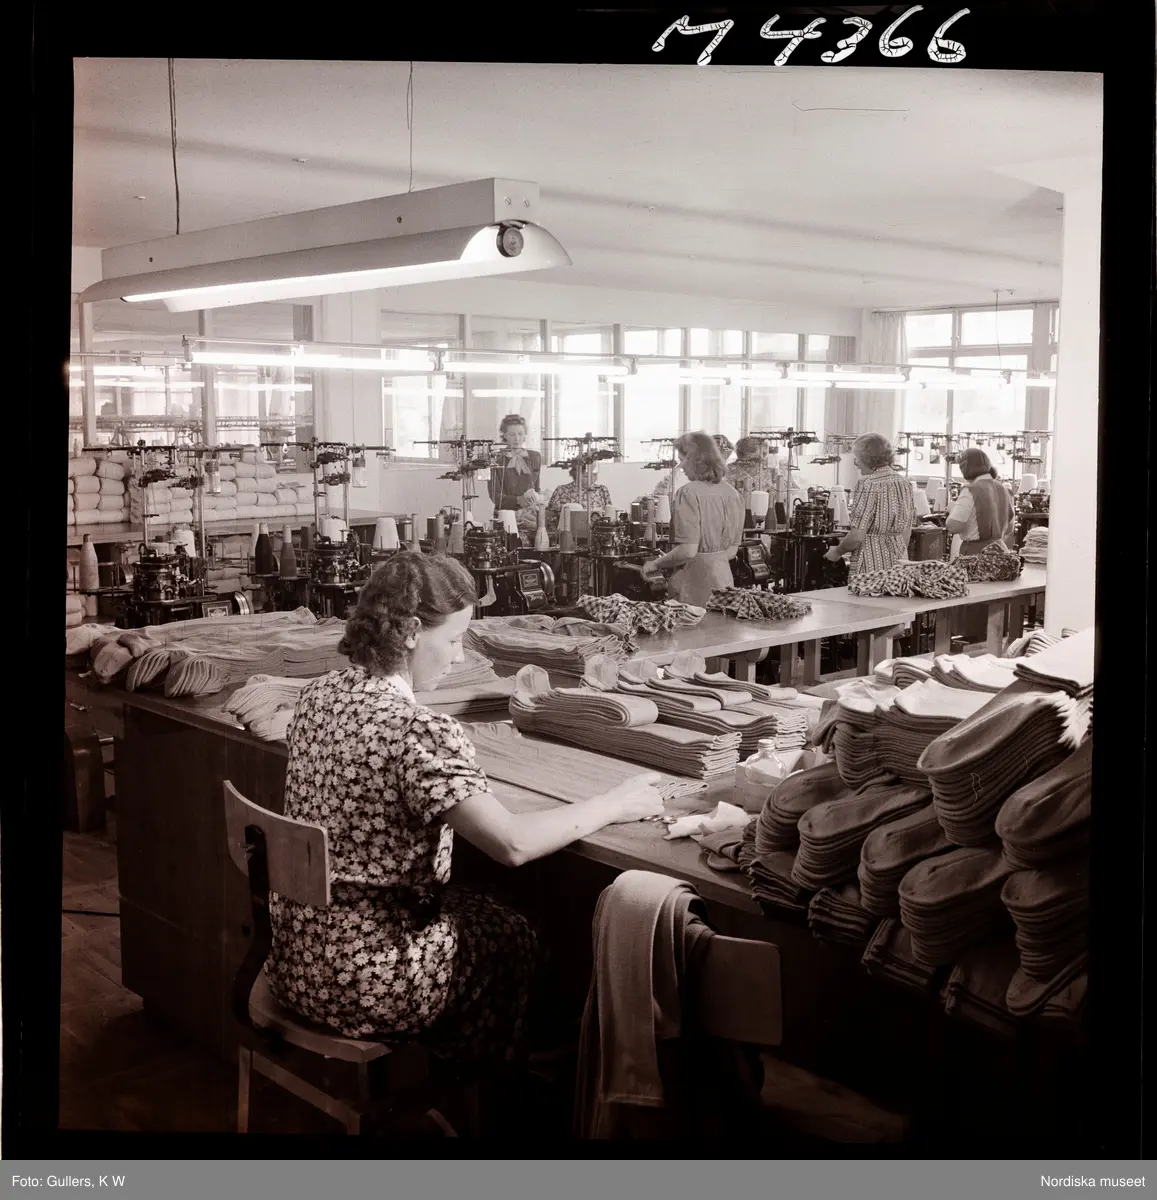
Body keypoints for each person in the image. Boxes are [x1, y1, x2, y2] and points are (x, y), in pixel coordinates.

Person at [265, 552, 664, 1068]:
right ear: (412, 632)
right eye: (454, 640)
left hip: (297, 961)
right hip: (370, 982)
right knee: (518, 930)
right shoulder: (418, 730)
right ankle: (496, 1086)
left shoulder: (317, 697)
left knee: (479, 900)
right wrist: (614, 803)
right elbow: (513, 843)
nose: (458, 657)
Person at [641, 431, 744, 605]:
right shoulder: (734, 494)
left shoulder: (688, 493)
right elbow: (731, 551)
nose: (681, 466)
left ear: (695, 460)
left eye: (682, 459)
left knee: (691, 622)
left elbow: (687, 551)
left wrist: (656, 564)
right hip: (724, 584)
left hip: (694, 585)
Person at [824, 433, 916, 576]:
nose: (855, 463)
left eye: (856, 458)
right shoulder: (904, 483)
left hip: (871, 565)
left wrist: (837, 552)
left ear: (867, 459)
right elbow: (906, 531)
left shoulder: (867, 484)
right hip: (900, 561)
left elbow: (856, 536)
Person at [946, 447, 1016, 556]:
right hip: (1000, 551)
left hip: (976, 555)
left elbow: (954, 526)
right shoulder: (1005, 490)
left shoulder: (970, 490)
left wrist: (952, 509)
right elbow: (1009, 529)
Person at [488, 414, 541, 519]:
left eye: (520, 434)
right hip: (504, 516)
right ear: (504, 435)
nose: (517, 438)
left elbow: (536, 488)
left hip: (530, 515)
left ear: (525, 434)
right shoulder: (496, 459)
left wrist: (538, 498)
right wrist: (517, 500)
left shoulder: (535, 457)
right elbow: (495, 496)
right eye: (512, 434)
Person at [545, 457, 614, 533]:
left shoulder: (602, 490)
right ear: (576, 474)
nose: (592, 479)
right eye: (586, 476)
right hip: (568, 535)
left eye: (595, 475)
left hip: (597, 535)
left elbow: (609, 515)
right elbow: (550, 519)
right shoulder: (561, 491)